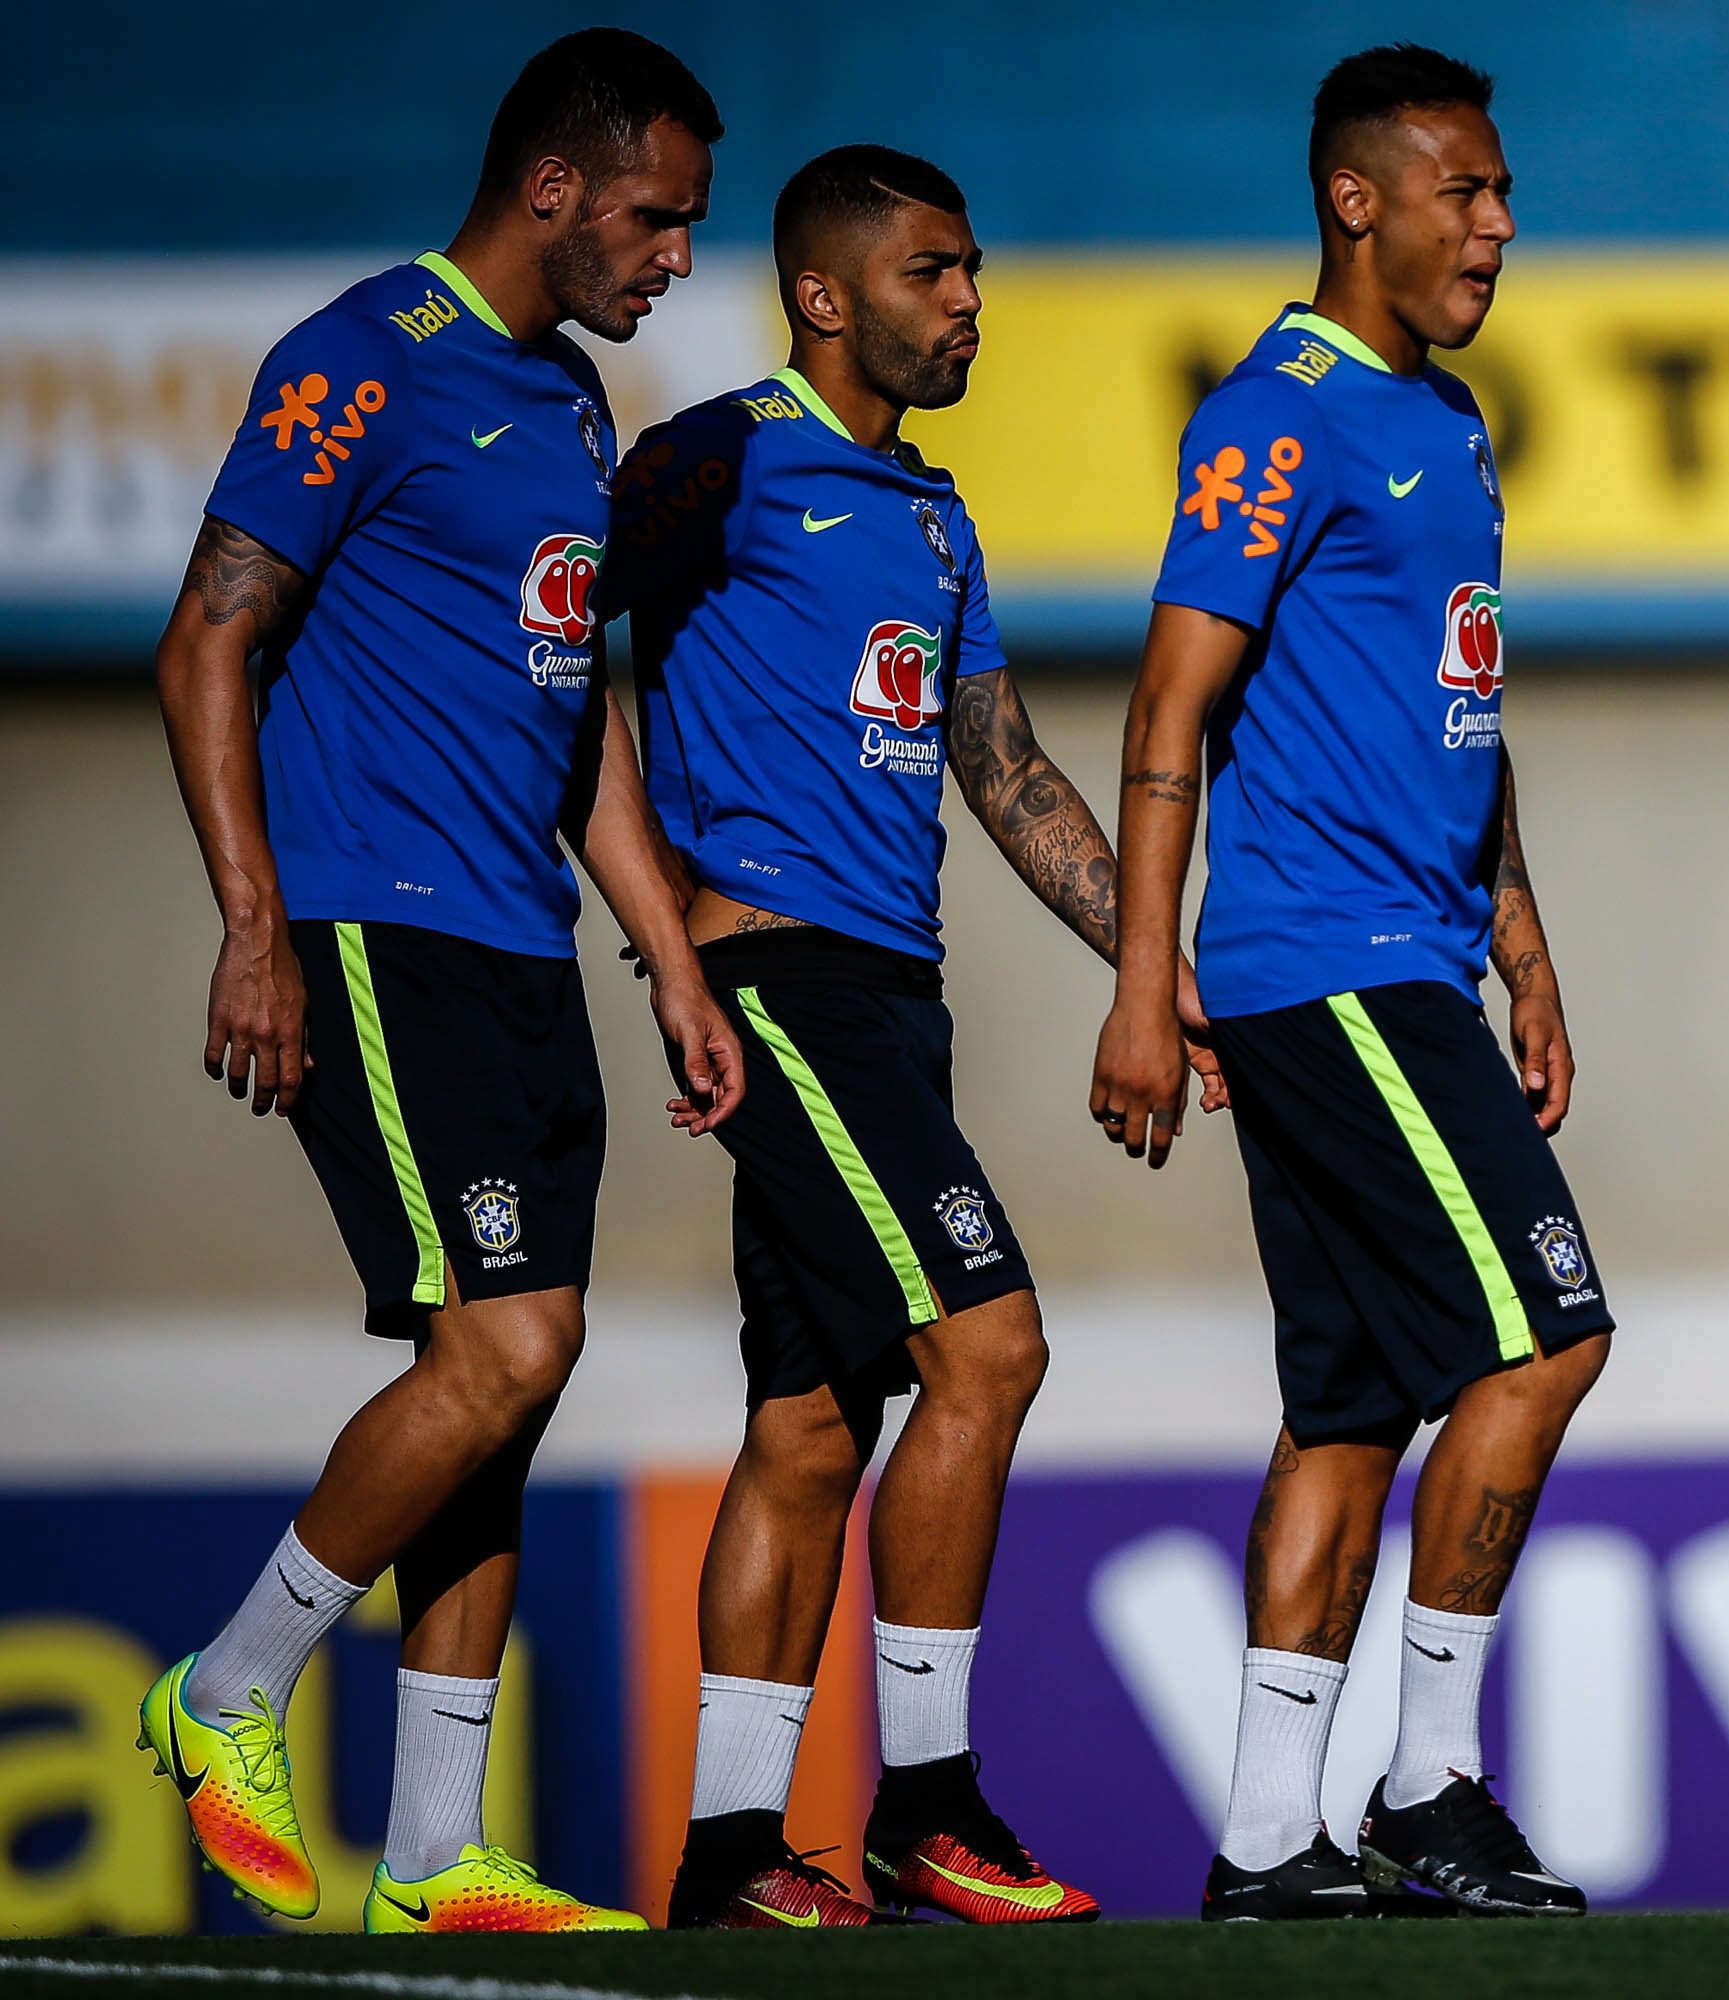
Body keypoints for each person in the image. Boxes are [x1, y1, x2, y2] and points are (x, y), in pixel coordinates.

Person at [141, 30, 736, 1935]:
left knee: (497, 1388)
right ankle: (228, 1691)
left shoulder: (568, 408)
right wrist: (253, 920)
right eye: (655, 218)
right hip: (373, 933)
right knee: (508, 1350)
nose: (673, 262)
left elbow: (581, 724)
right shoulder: (358, 356)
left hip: (518, 946)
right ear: (553, 189)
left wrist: (667, 957)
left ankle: (430, 1855)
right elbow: (206, 648)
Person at [600, 145, 1208, 1931]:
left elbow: (1006, 776)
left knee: (807, 1426)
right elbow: (549, 663)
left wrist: (1150, 968)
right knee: (992, 1348)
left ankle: (726, 1857)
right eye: (936, 274)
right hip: (778, 983)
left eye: (973, 273)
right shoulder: (711, 457)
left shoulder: (933, 517)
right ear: (825, 292)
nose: (968, 305)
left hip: (892, 1002)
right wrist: (670, 944)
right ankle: (926, 1808)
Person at [1091, 43, 1606, 1920]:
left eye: (1500, 189)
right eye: (1466, 189)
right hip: (1331, 970)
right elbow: (1170, 701)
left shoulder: (1448, 416)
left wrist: (1525, 941)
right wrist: (1146, 987)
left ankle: (1260, 1838)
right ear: (1355, 200)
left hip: (1418, 962)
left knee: (1350, 1413)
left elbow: (1458, 707)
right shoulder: (1276, 412)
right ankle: (1430, 1782)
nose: (1500, 223)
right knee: (1547, 1345)